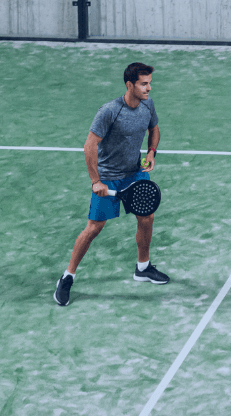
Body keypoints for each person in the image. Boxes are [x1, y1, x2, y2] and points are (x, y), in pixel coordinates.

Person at [54, 62, 170, 306]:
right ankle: (67, 277)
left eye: (150, 83)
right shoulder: (109, 111)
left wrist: (151, 152)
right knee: (94, 228)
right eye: (144, 84)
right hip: (107, 176)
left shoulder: (148, 103)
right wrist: (96, 181)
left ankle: (143, 267)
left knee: (146, 217)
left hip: (134, 173)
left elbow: (154, 128)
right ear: (130, 85)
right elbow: (89, 146)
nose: (149, 88)